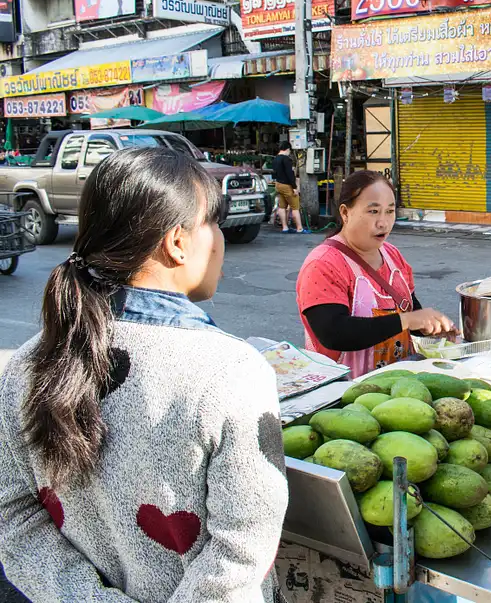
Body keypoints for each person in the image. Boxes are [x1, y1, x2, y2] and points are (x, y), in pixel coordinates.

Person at [0, 148, 288, 601]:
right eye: (213, 222)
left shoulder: (30, 360)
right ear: (177, 242)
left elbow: (14, 518)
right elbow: (240, 557)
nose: (220, 240)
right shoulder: (229, 371)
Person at [296, 170, 455, 378]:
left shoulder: (392, 256)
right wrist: (407, 320)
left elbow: (410, 311)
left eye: (390, 211)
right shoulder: (323, 264)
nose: (383, 222)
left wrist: (429, 326)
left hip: (399, 386)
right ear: (345, 213)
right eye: (373, 212)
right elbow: (333, 333)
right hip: (346, 395)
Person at [272, 142, 307, 233]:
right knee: (295, 207)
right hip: (287, 185)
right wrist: (294, 187)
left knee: (282, 206)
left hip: (278, 184)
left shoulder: (275, 159)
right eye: (289, 151)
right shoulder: (286, 159)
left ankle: (285, 227)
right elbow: (290, 174)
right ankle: (300, 228)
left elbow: (274, 173)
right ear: (287, 149)